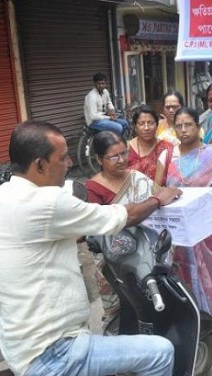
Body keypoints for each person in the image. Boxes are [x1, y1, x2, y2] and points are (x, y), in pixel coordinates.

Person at [0, 120, 181, 376]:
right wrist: (157, 199)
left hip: (20, 344)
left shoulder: (0, 198)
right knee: (160, 353)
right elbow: (123, 217)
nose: (70, 164)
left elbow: (64, 235)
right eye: (62, 158)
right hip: (55, 352)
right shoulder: (46, 201)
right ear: (40, 164)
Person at [158, 106, 212, 348]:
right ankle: (190, 323)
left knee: (209, 275)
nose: (183, 129)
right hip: (179, 232)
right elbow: (158, 190)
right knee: (184, 276)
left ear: (199, 127)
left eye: (188, 124)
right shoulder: (169, 155)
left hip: (207, 230)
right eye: (178, 125)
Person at [85, 131, 157, 320]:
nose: (121, 160)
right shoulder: (93, 189)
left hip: (145, 253)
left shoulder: (136, 178)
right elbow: (99, 229)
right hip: (113, 262)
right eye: (114, 156)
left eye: (124, 153)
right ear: (99, 159)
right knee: (122, 312)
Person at [127, 105, 173, 185]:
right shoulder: (126, 148)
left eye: (151, 123)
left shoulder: (166, 148)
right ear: (135, 127)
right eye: (141, 124)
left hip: (159, 195)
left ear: (157, 125)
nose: (146, 128)